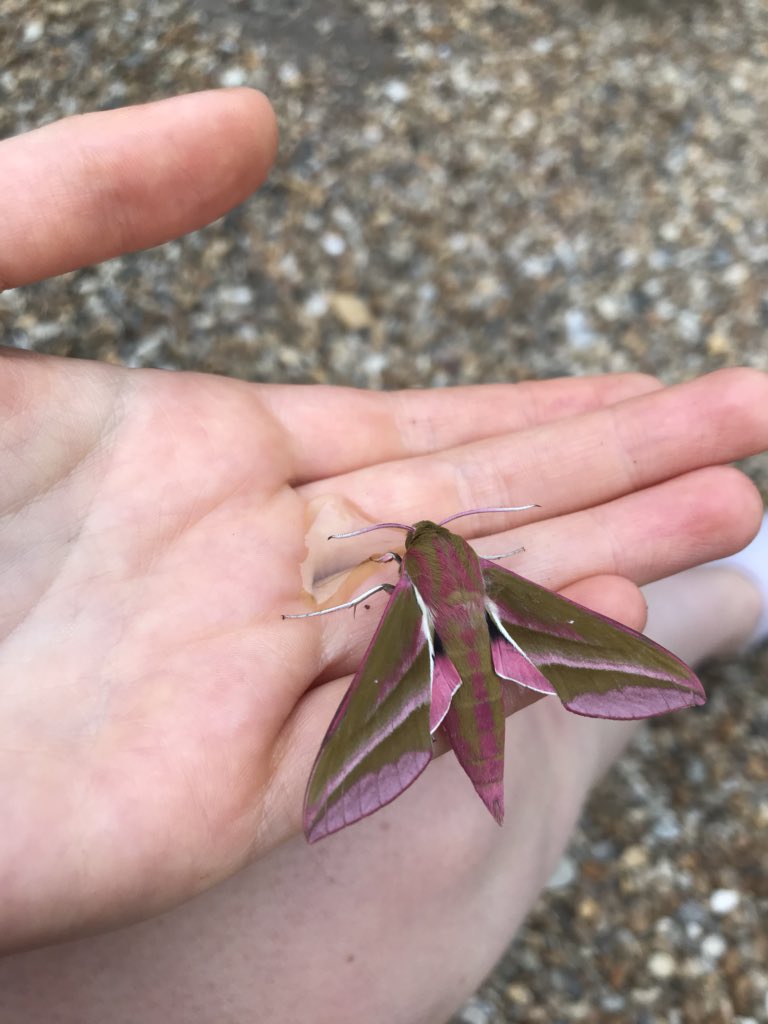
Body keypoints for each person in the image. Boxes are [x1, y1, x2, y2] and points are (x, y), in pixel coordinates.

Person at [0, 89, 765, 1023]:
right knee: (519, 732)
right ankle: (713, 609)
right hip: (493, 623)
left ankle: (702, 616)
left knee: (444, 816)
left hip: (434, 658)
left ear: (406, 577)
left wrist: (352, 601)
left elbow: (355, 597)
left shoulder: (396, 597)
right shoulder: (487, 580)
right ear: (463, 563)